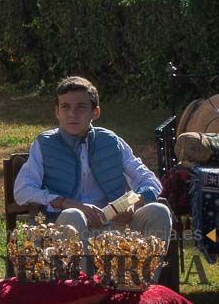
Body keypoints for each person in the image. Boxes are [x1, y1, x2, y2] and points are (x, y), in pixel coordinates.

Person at [13, 77, 172, 257]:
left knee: (159, 211)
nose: (72, 114)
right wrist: (65, 202)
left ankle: (143, 283)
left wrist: (132, 204)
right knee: (74, 215)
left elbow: (151, 182)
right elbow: (22, 190)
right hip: (65, 225)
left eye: (80, 107)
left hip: (114, 226)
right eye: (65, 107)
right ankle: (79, 285)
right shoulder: (44, 144)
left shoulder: (111, 142)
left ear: (95, 112)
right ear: (57, 112)